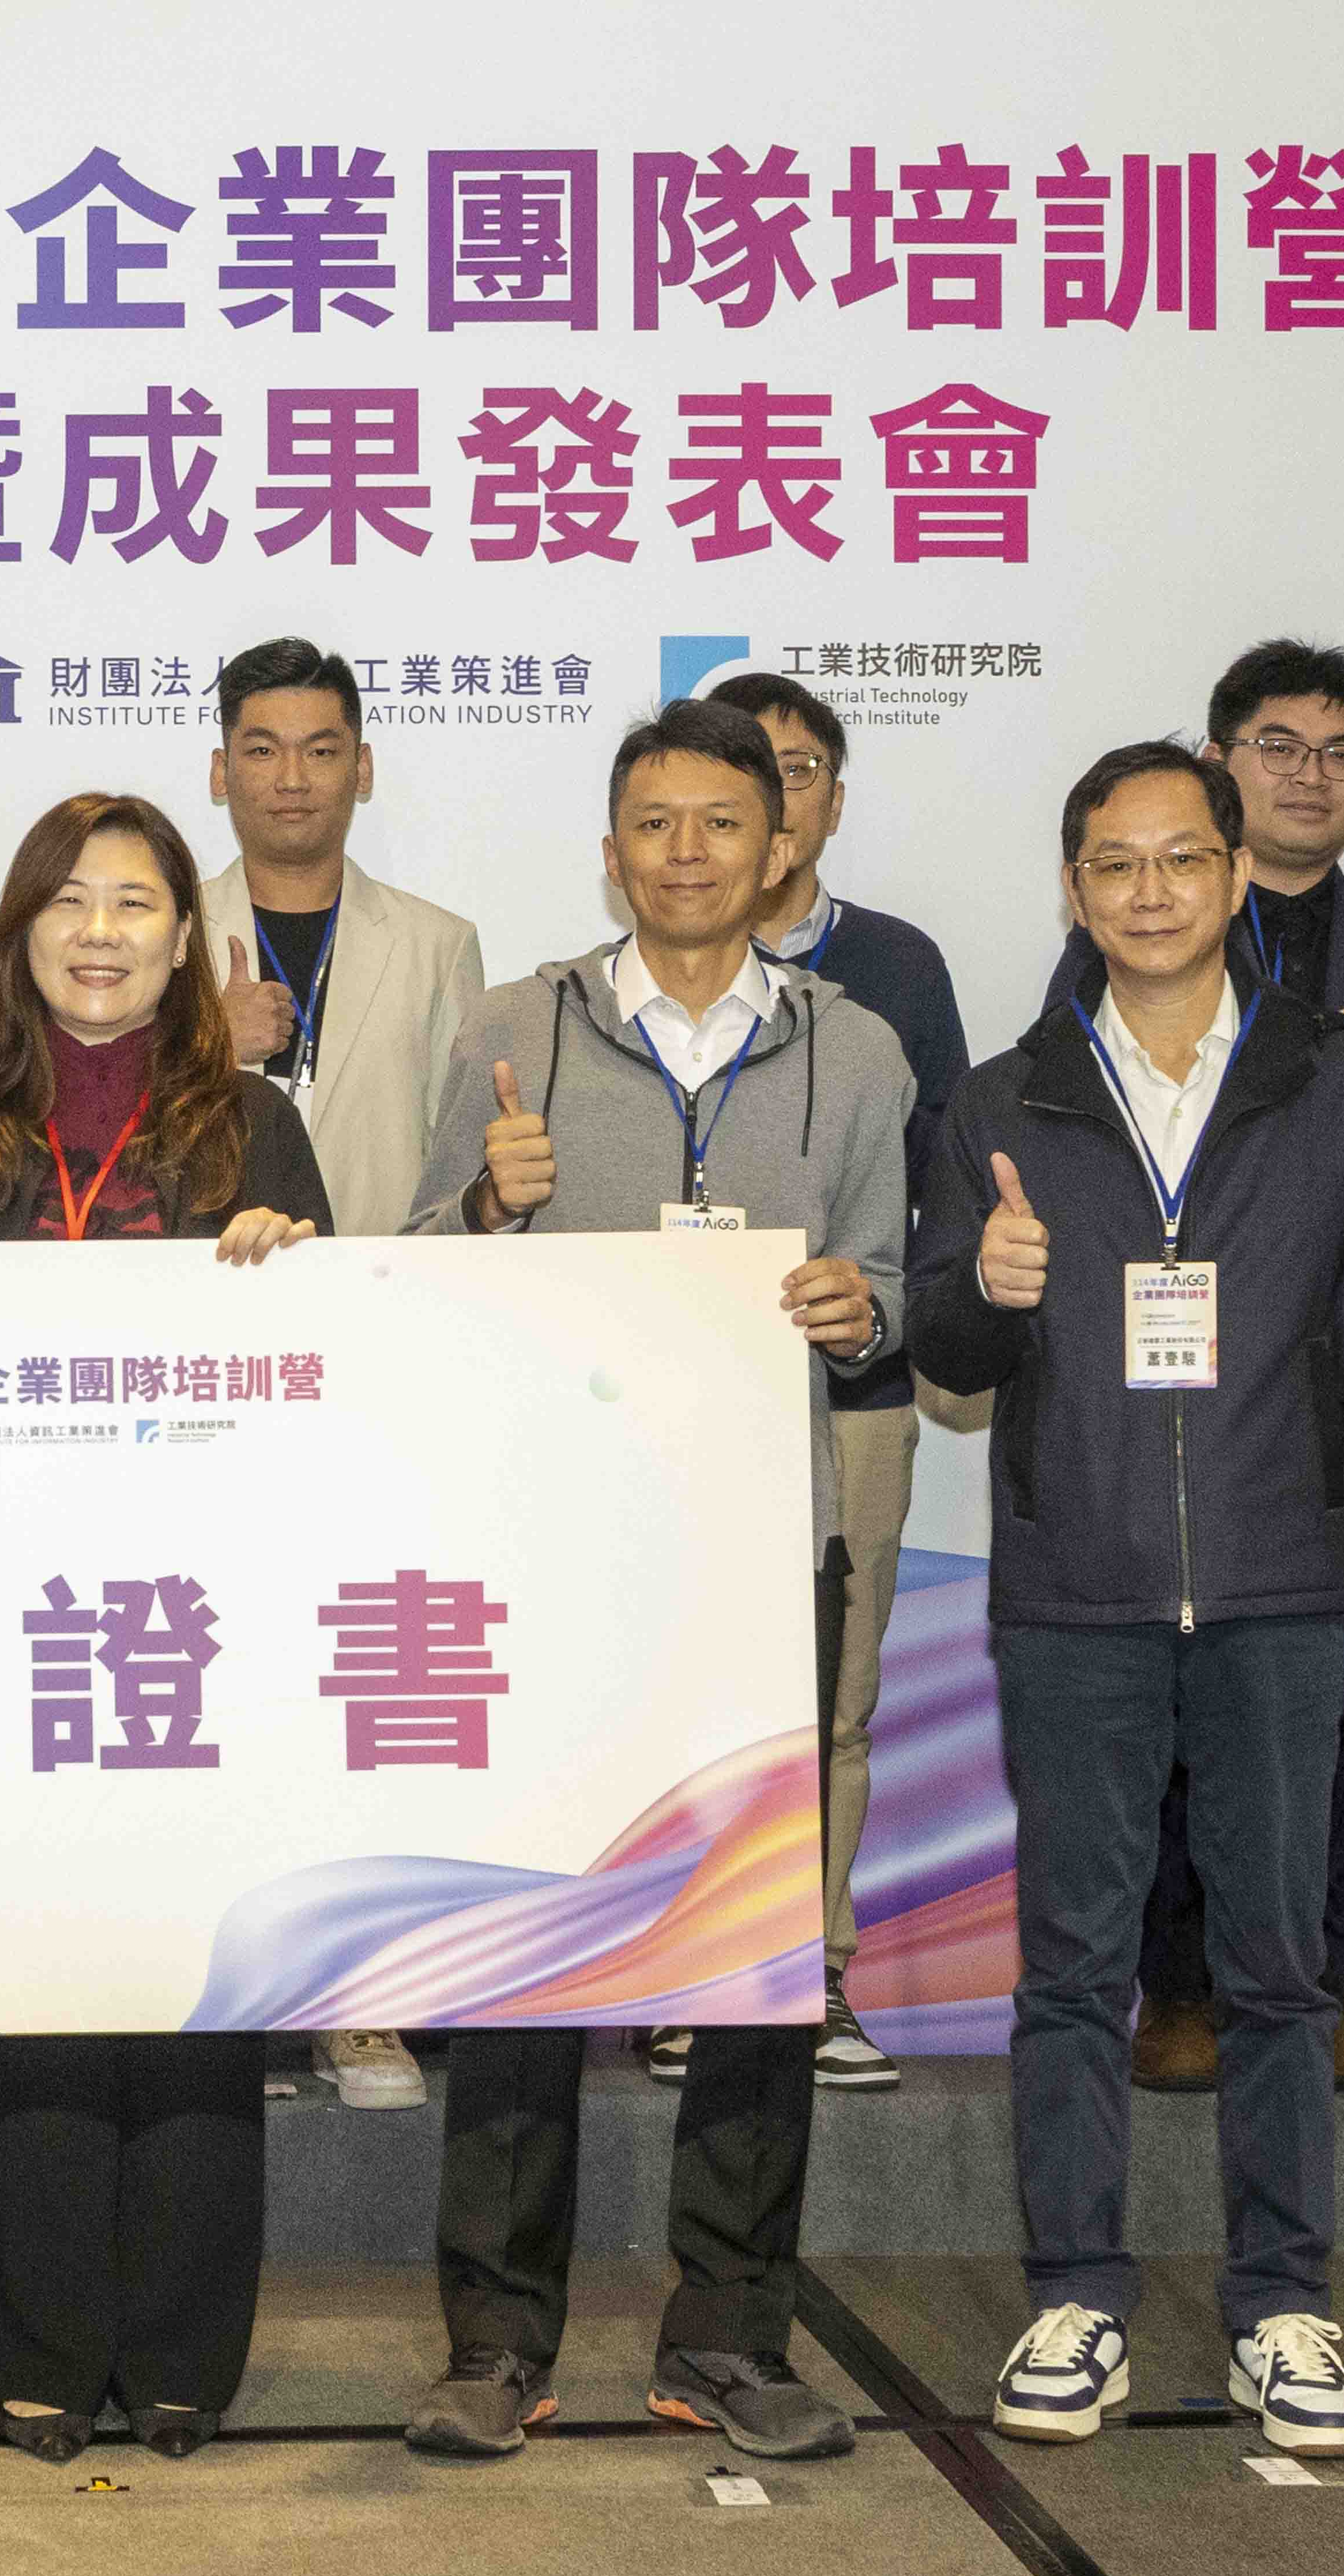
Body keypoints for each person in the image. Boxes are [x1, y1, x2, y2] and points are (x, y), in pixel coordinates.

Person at [912, 739, 1344, 2462]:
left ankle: (1283, 2305)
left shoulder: (1333, 1087)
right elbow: (942, 1344)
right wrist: (984, 1287)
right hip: (1073, 1592)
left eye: (1178, 859)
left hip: (1286, 1590)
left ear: (1230, 877)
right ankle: (1075, 2295)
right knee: (1072, 1969)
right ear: (1073, 890)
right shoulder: (999, 1100)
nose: (1147, 892)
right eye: (1112, 864)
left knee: (1278, 1968)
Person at [391, 697, 906, 2465]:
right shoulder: (513, 1026)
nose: (687, 852)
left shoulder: (858, 1051)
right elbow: (410, 1275)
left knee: (754, 1973)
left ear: (780, 846)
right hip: (550, 1555)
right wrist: (484, 1207)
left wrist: (864, 1304)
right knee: (519, 1961)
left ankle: (730, 2336)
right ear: (609, 852)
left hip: (761, 1550)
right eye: (653, 823)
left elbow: (895, 1280)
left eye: (721, 822)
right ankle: (493, 2341)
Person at [0, 791, 327, 2460]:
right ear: (19, 931)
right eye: (66, 900)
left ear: (181, 936)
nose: (99, 932)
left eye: (134, 902)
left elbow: (334, 1368)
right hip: (5, 1613)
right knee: (39, 1982)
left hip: (204, 1618)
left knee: (203, 1985)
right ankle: (37, 2341)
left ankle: (181, 2349)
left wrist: (288, 1259)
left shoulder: (255, 1122)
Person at [1101, 640, 1344, 2097]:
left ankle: (1319, 1983)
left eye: (1340, 751)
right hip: (1167, 1363)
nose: (1309, 775)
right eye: (1277, 745)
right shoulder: (1144, 914)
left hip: (1338, 1363)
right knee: (1167, 1693)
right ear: (1219, 760)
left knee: (1327, 1697)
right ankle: (1179, 1988)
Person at [182, 636, 484, 2115]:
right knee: (212, 1680)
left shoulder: (436, 942)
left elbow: (454, 1157)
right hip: (192, 1367)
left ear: (363, 767)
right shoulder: (149, 924)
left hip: (369, 1362)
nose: (289, 776)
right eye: (260, 747)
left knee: (349, 1681)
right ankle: (214, 1987)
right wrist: (209, 1042)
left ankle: (359, 1999)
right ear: (217, 768)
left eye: (318, 748)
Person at [697, 671, 971, 2097]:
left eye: (793, 769)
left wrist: (882, 1306)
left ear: (827, 799)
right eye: (736, 775)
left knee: (835, 1698)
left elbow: (944, 1187)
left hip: (848, 1391)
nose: (767, 799)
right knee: (684, 1695)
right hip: (676, 1401)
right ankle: (689, 1975)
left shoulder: (895, 969)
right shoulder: (616, 986)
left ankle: (812, 1969)